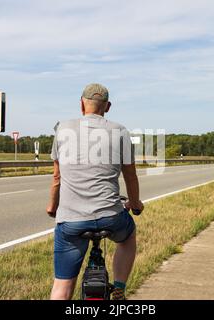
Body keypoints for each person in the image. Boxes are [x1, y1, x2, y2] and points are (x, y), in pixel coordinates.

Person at [46, 83, 144, 300]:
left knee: (62, 285)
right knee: (128, 236)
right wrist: (135, 204)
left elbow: (57, 177)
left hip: (71, 221)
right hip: (111, 217)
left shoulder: (63, 129)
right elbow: (130, 176)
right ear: (107, 107)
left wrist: (52, 206)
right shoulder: (120, 131)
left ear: (82, 104)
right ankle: (119, 287)